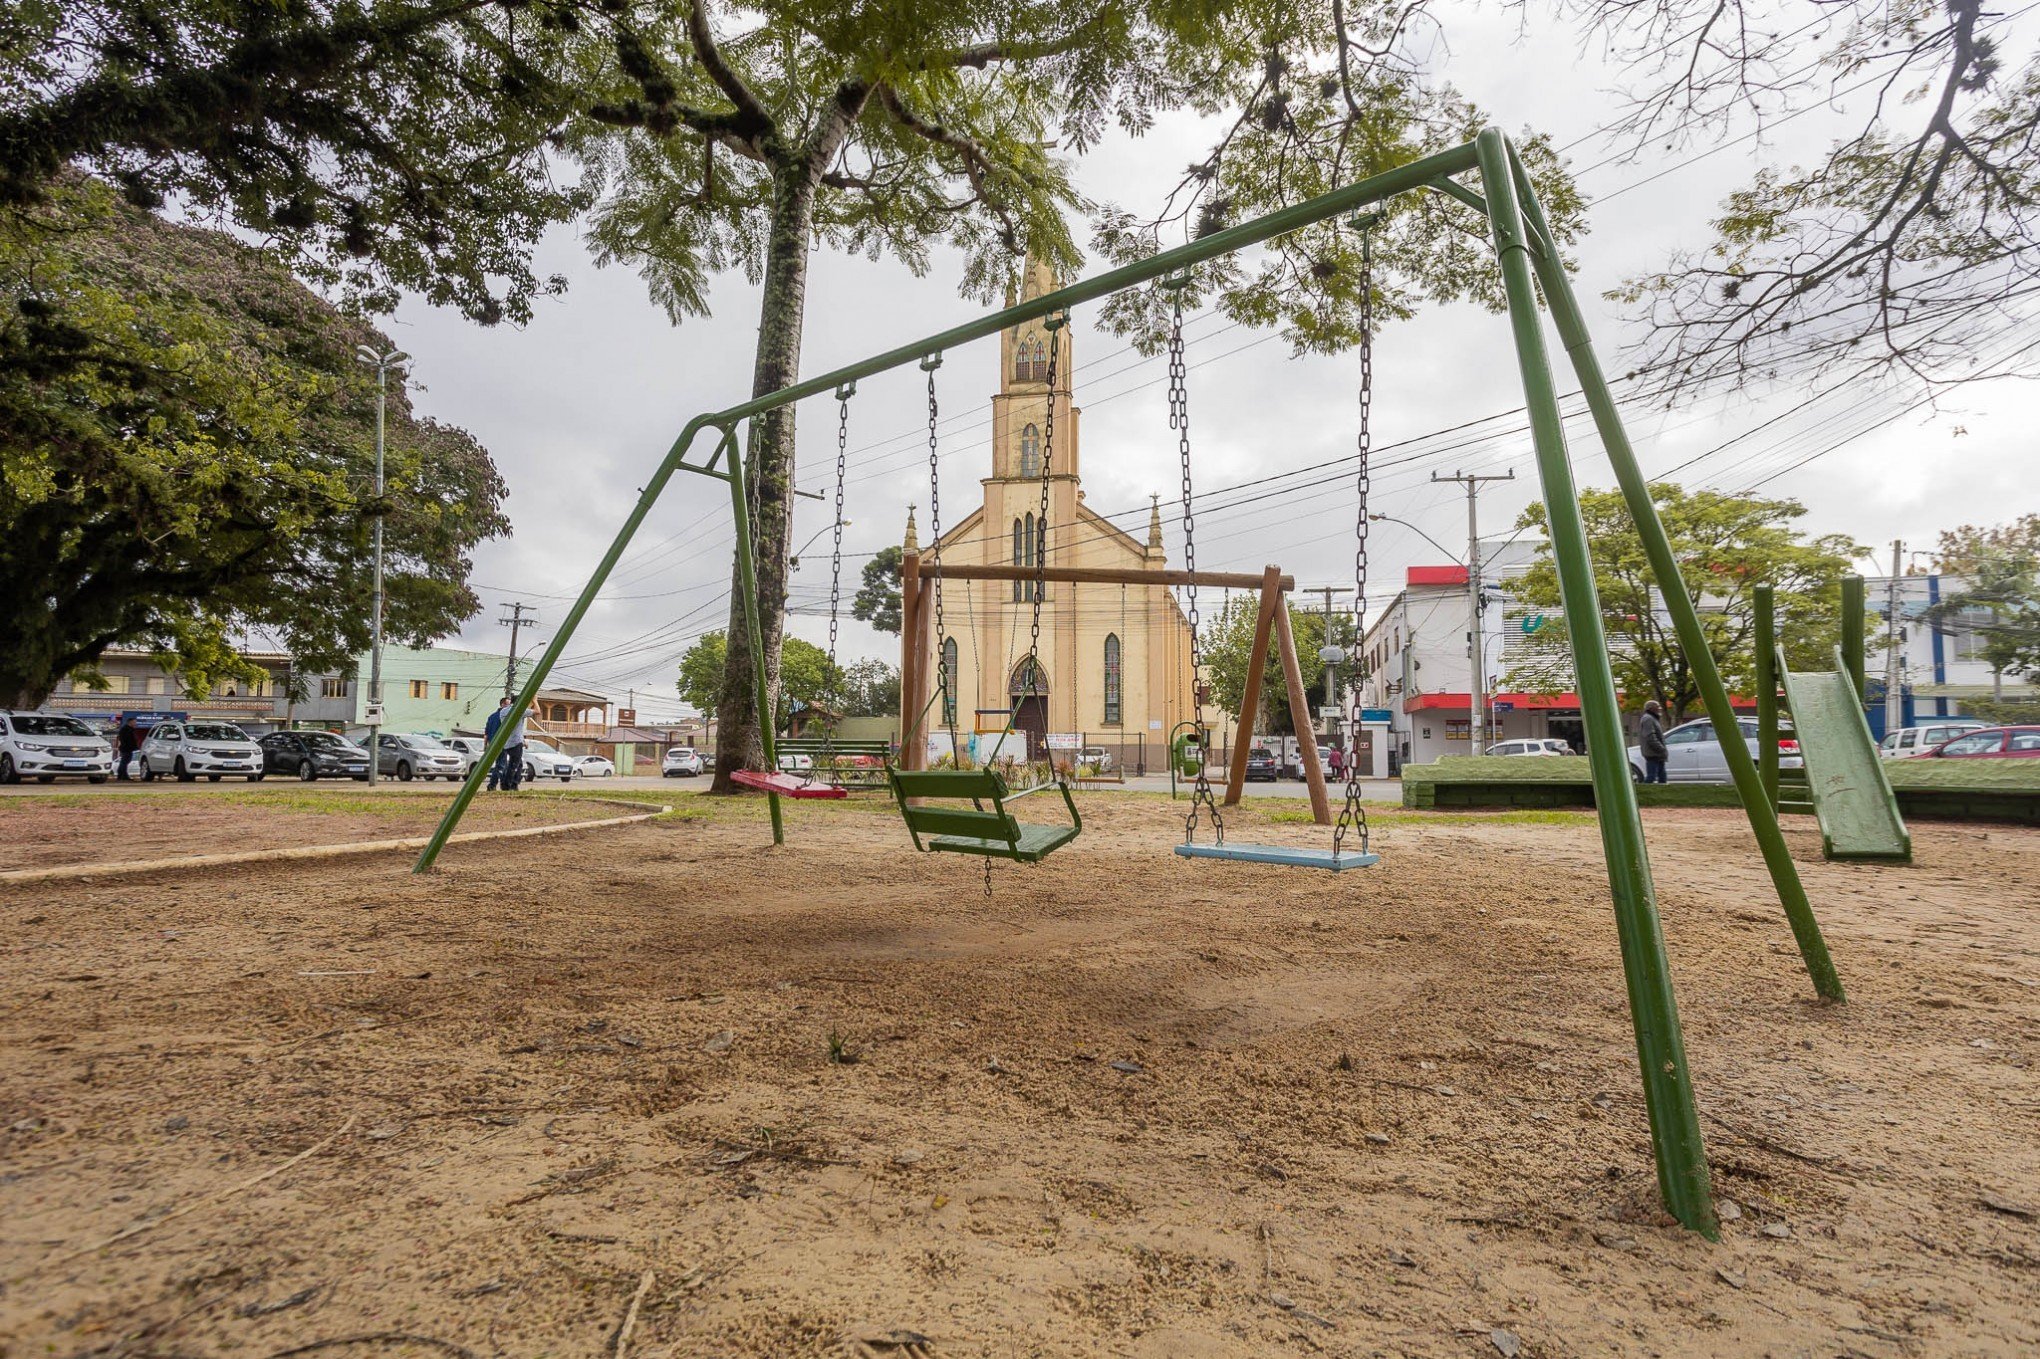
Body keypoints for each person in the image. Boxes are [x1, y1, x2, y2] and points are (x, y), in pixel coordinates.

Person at [499, 699, 527, 792]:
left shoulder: (502, 712)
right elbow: (537, 711)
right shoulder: (519, 710)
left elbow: (516, 728)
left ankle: (510, 784)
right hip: (514, 742)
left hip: (506, 742)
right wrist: (534, 700)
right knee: (513, 765)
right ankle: (508, 785)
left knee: (514, 764)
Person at [1640, 698, 1669, 784]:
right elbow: (1650, 737)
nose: (1660, 708)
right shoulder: (1648, 719)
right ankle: (1643, 792)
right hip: (1653, 754)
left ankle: (1663, 793)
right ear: (1651, 708)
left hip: (1657, 754)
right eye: (1657, 706)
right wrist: (1661, 748)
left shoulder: (1652, 718)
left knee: (1662, 776)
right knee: (1652, 776)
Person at [484, 696, 511, 791]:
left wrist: (485, 746)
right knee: (501, 765)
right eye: (508, 705)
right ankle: (492, 785)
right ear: (502, 704)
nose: (510, 707)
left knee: (503, 765)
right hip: (500, 743)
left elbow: (486, 734)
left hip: (492, 744)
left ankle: (504, 786)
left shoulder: (491, 716)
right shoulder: (503, 716)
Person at [115, 715, 143, 780]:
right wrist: (133, 746)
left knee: (125, 761)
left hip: (127, 748)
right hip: (126, 748)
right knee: (124, 762)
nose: (135, 724)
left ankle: (121, 775)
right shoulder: (127, 730)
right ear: (130, 722)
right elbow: (129, 740)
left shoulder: (127, 729)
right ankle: (123, 775)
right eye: (134, 722)